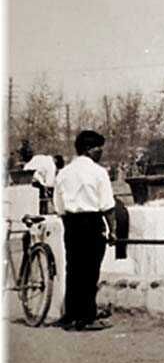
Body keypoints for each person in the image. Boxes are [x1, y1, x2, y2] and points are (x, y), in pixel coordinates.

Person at [53, 130, 117, 331]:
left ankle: (71, 314)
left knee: (73, 268)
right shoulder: (99, 172)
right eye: (98, 148)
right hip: (91, 221)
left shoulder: (63, 173)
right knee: (90, 271)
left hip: (71, 223)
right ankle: (87, 317)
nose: (101, 152)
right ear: (89, 149)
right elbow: (107, 206)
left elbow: (59, 205)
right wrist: (113, 230)